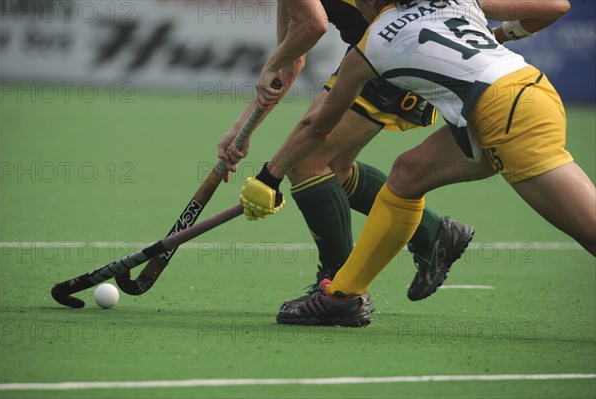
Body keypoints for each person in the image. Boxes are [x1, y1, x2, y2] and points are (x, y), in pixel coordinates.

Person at [239, 0, 594, 327]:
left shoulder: (375, 41)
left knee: (589, 229)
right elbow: (555, 5)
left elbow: (317, 126)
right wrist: (496, 37)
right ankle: (342, 294)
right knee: (408, 175)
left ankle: (342, 290)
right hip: (525, 91)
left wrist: (270, 176)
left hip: (508, 117)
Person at [219, 0, 475, 311]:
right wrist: (242, 130)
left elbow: (313, 26)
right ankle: (434, 234)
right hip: (386, 48)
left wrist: (268, 177)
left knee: (306, 164)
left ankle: (339, 291)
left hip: (397, 48)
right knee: (333, 168)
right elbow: (290, 62)